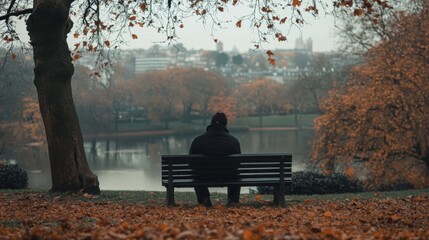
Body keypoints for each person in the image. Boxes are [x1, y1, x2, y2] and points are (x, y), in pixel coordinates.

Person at [189, 112, 241, 207]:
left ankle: (204, 198)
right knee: (236, 173)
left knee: (196, 173)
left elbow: (191, 163)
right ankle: (233, 199)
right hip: (228, 176)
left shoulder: (198, 140)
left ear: (211, 123)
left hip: (204, 177)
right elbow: (238, 163)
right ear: (225, 124)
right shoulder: (233, 141)